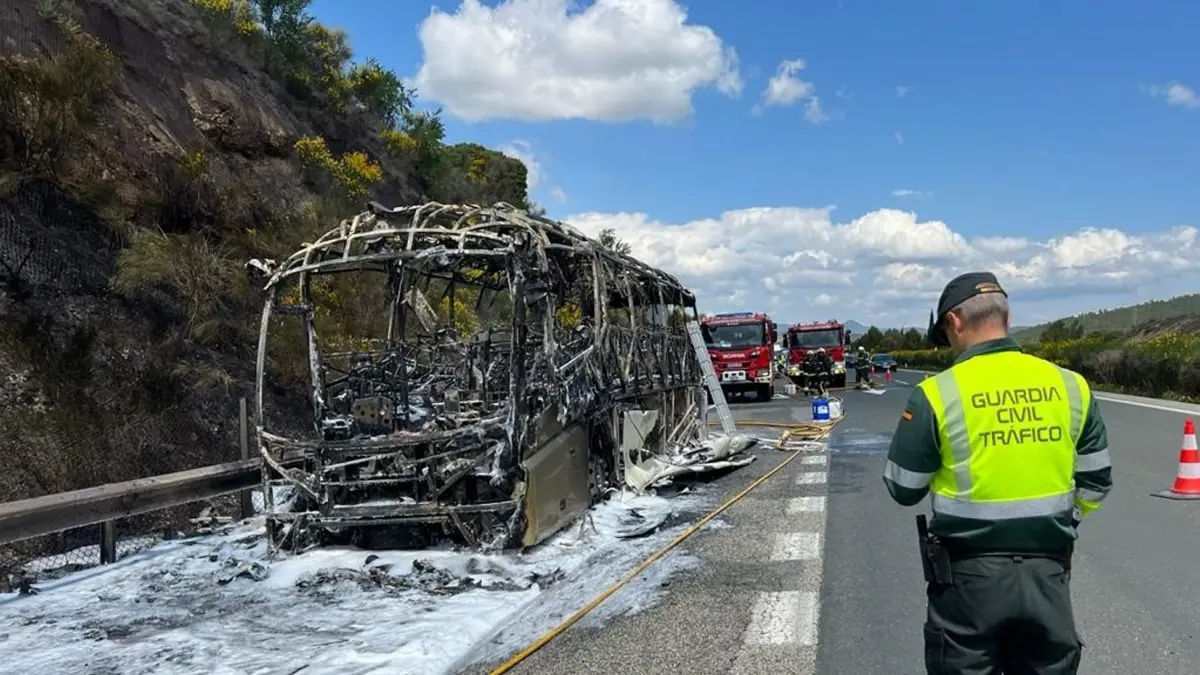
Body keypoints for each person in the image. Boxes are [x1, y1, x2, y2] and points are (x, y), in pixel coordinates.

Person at [881, 271, 1113, 675]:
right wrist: (1062, 521)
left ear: (954, 322)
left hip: (967, 580)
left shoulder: (937, 393)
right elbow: (1097, 480)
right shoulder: (1071, 385)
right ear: (1007, 316)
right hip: (1048, 571)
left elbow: (904, 487)